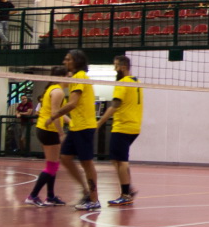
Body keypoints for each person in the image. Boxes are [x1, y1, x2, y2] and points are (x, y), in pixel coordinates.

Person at [48, 49, 100, 210]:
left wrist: (54, 115)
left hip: (84, 126)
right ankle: (86, 190)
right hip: (76, 126)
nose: (65, 62)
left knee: (86, 162)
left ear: (77, 61)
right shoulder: (75, 78)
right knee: (65, 157)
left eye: (68, 59)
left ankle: (94, 199)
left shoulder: (80, 77)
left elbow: (72, 103)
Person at [96, 55, 143, 207]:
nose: (115, 69)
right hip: (134, 127)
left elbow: (115, 105)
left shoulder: (122, 83)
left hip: (123, 126)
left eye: (116, 66)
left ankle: (125, 194)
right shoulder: (136, 82)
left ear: (123, 67)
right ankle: (128, 187)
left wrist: (99, 123)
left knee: (121, 161)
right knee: (116, 159)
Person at [25, 68, 68, 206]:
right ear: (62, 77)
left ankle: (50, 196)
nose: (71, 79)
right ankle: (32, 196)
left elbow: (59, 113)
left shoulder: (52, 89)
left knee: (53, 165)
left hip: (45, 129)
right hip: (49, 130)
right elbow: (55, 113)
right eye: (69, 76)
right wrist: (61, 133)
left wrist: (72, 123)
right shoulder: (58, 91)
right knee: (52, 166)